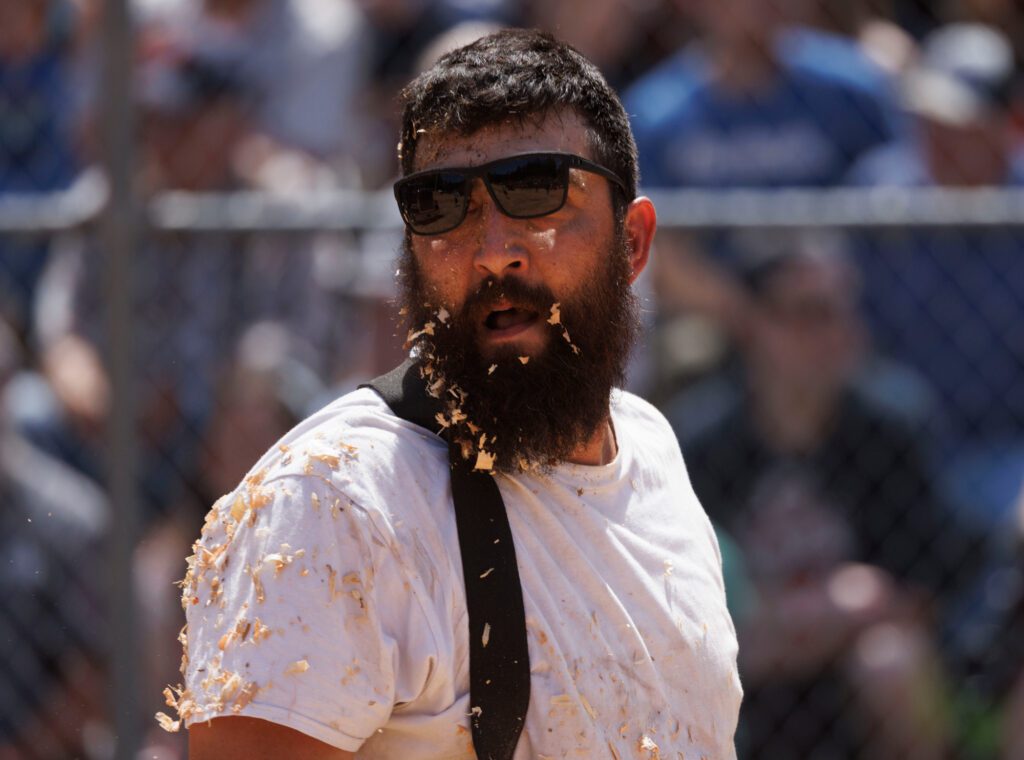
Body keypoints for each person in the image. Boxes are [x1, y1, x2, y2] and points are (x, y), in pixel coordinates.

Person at [165, 29, 743, 759]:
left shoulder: (651, 446)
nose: (492, 247)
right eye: (440, 206)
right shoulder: (334, 506)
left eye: (536, 191)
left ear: (632, 243)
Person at [673, 231, 974, 759]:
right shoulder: (700, 443)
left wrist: (836, 613)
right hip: (746, 664)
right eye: (810, 313)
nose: (838, 332)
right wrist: (816, 609)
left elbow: (922, 595)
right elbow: (688, 610)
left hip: (851, 662)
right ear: (754, 324)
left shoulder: (891, 426)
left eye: (843, 310)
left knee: (893, 662)